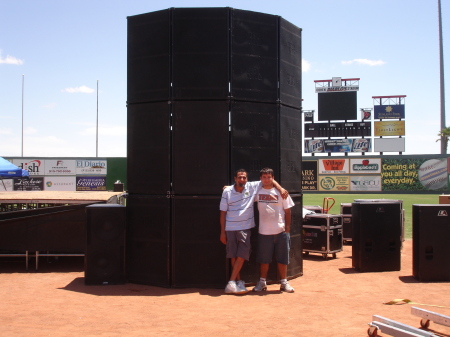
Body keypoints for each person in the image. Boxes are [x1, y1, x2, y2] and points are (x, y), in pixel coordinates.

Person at [220, 168, 288, 295]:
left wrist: (281, 189)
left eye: (244, 177)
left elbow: (270, 180)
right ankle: (237, 282)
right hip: (230, 228)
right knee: (233, 255)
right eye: (239, 177)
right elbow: (222, 213)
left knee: (241, 255)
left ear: (247, 179)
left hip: (245, 227)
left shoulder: (251, 187)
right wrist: (222, 232)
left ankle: (231, 282)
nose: (242, 179)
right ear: (235, 178)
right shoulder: (227, 191)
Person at [253, 167, 295, 293]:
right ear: (261, 179)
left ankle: (284, 282)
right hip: (264, 232)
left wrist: (287, 229)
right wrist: (227, 187)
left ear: (273, 178)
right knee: (263, 259)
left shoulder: (282, 193)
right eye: (264, 177)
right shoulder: (257, 192)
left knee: (282, 258)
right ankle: (262, 283)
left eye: (269, 177)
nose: (266, 179)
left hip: (281, 231)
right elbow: (242, 189)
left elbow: (288, 211)